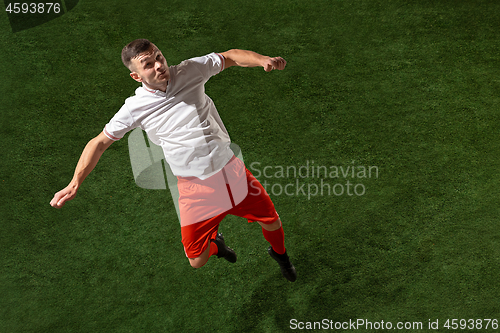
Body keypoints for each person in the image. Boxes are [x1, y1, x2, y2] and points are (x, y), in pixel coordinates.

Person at [50, 39, 296, 282]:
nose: (158, 65)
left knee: (272, 221)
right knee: (196, 261)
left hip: (230, 171)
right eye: (148, 64)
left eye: (158, 56)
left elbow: (230, 56)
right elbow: (99, 142)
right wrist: (75, 183)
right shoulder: (134, 108)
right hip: (195, 188)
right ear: (137, 77)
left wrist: (262, 60)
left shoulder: (190, 70)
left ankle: (280, 255)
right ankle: (216, 246)